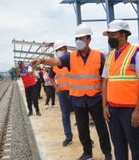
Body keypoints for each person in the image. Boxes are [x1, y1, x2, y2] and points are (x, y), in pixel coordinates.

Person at [31, 24, 112, 160]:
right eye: (76, 38)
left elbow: (105, 79)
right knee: (82, 129)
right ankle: (87, 153)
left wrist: (105, 100)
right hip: (78, 100)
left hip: (95, 99)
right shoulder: (70, 57)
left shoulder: (99, 56)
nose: (78, 41)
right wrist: (42, 60)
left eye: (81, 38)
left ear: (89, 39)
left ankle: (107, 153)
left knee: (101, 128)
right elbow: (56, 61)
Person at [101, 20, 139, 160]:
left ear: (123, 35)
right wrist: (104, 106)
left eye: (113, 34)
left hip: (130, 110)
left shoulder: (137, 53)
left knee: (136, 146)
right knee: (119, 146)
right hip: (112, 110)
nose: (110, 38)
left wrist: (138, 109)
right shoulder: (109, 56)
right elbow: (105, 81)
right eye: (109, 35)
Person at [49, 40, 74, 146]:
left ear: (65, 49)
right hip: (63, 93)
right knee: (65, 116)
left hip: (74, 92)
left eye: (60, 49)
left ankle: (85, 138)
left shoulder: (73, 59)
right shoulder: (55, 63)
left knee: (81, 116)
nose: (58, 52)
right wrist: (56, 88)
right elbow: (51, 77)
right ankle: (68, 137)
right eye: (57, 50)